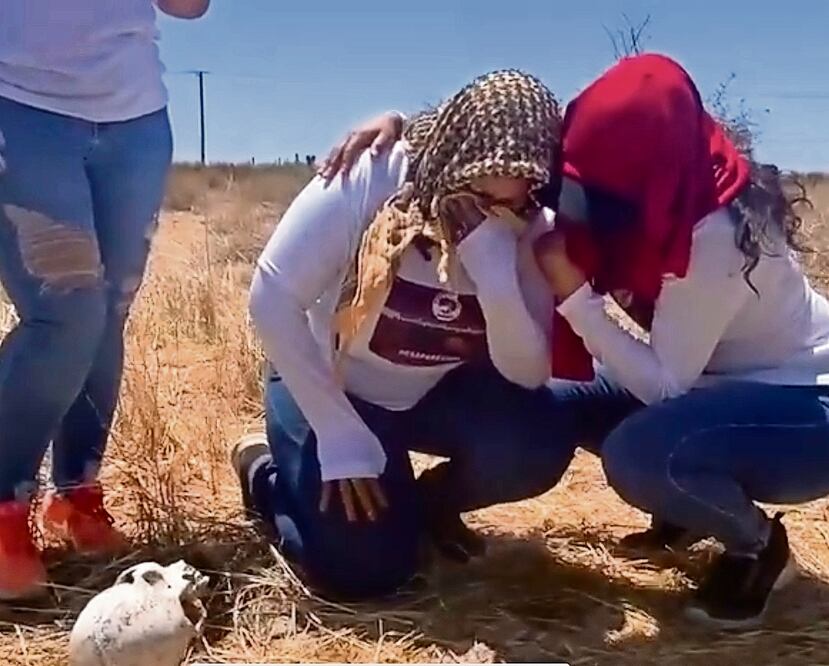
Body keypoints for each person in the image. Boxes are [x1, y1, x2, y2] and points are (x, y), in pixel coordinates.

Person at [319, 54, 829, 627]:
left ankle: (757, 547)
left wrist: (575, 298)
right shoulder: (659, 167)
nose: (572, 196)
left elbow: (665, 384)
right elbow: (504, 140)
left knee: (641, 453)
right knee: (549, 409)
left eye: (594, 190)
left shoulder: (716, 237)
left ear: (637, 181)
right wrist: (403, 132)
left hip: (800, 403)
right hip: (708, 378)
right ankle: (682, 509)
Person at [234, 70, 581, 600]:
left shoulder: (530, 223)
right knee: (365, 572)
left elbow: (527, 372)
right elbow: (272, 295)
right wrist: (338, 432)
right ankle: (265, 475)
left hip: (430, 392)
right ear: (454, 157)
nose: (486, 213)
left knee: (537, 442)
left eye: (509, 200)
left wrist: (496, 280)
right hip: (330, 384)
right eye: (475, 191)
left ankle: (423, 507)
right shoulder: (376, 174)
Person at [0, 0, 210, 600]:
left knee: (107, 315)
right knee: (65, 313)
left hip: (135, 119)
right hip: (19, 104)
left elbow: (190, 7)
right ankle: (3, 509)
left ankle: (76, 495)